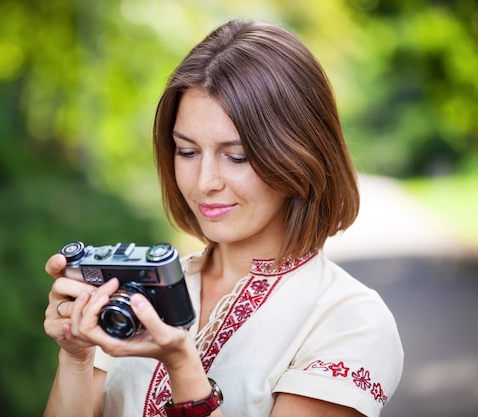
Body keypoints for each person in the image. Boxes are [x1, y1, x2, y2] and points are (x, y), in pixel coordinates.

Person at [43, 19, 403, 417]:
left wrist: (182, 366)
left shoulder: (350, 320)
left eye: (237, 156)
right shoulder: (142, 291)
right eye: (187, 151)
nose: (204, 182)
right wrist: (75, 355)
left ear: (300, 154)